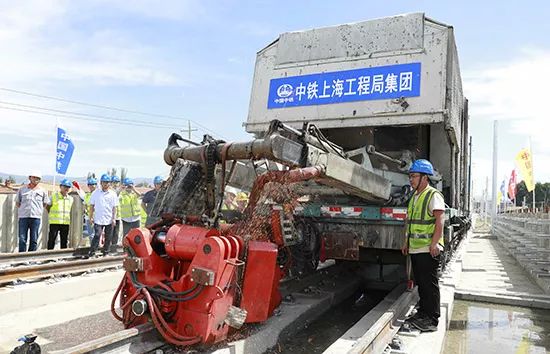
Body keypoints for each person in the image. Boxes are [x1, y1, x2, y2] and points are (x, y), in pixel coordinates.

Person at [401, 159, 445, 333]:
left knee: (429, 284)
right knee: (422, 283)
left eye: (414, 176)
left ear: (425, 178)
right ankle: (423, 313)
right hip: (416, 248)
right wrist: (406, 242)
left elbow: (440, 219)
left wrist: (434, 243)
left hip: (428, 249)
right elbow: (410, 222)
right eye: (410, 176)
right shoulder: (414, 197)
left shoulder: (432, 195)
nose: (410, 179)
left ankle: (432, 320)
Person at [16, 171, 49, 252]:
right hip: (23, 217)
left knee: (34, 239)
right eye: (34, 177)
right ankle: (21, 258)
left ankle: (31, 258)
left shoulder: (43, 191)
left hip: (36, 217)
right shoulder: (22, 189)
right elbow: (17, 203)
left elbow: (45, 203)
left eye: (38, 178)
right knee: (22, 239)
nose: (36, 179)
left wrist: (37, 209)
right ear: (29, 178)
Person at [89, 174, 118, 256]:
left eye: (107, 182)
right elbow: (91, 206)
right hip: (98, 219)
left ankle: (106, 252)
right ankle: (92, 252)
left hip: (109, 219)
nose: (106, 184)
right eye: (104, 182)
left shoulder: (113, 194)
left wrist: (114, 218)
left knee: (108, 237)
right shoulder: (95, 193)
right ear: (101, 183)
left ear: (110, 183)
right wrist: (91, 217)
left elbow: (114, 207)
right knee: (97, 235)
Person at [46, 178, 74, 249]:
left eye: (68, 187)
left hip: (65, 222)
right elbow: (47, 206)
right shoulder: (54, 196)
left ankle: (63, 256)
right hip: (55, 222)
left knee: (64, 240)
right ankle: (49, 256)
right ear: (60, 186)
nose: (66, 188)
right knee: (52, 239)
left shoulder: (70, 199)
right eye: (65, 186)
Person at [83, 177, 97, 242]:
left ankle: (96, 247)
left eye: (93, 184)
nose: (92, 186)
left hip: (97, 217)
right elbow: (85, 205)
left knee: (96, 234)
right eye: (90, 185)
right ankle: (92, 248)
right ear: (88, 186)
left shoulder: (99, 195)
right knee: (91, 234)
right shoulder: (87, 195)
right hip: (88, 217)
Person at [110, 175, 122, 248]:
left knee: (116, 233)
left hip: (118, 216)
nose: (115, 184)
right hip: (110, 216)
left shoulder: (120, 193)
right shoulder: (111, 192)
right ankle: (109, 247)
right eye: (114, 182)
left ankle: (114, 247)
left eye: (117, 182)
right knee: (110, 233)